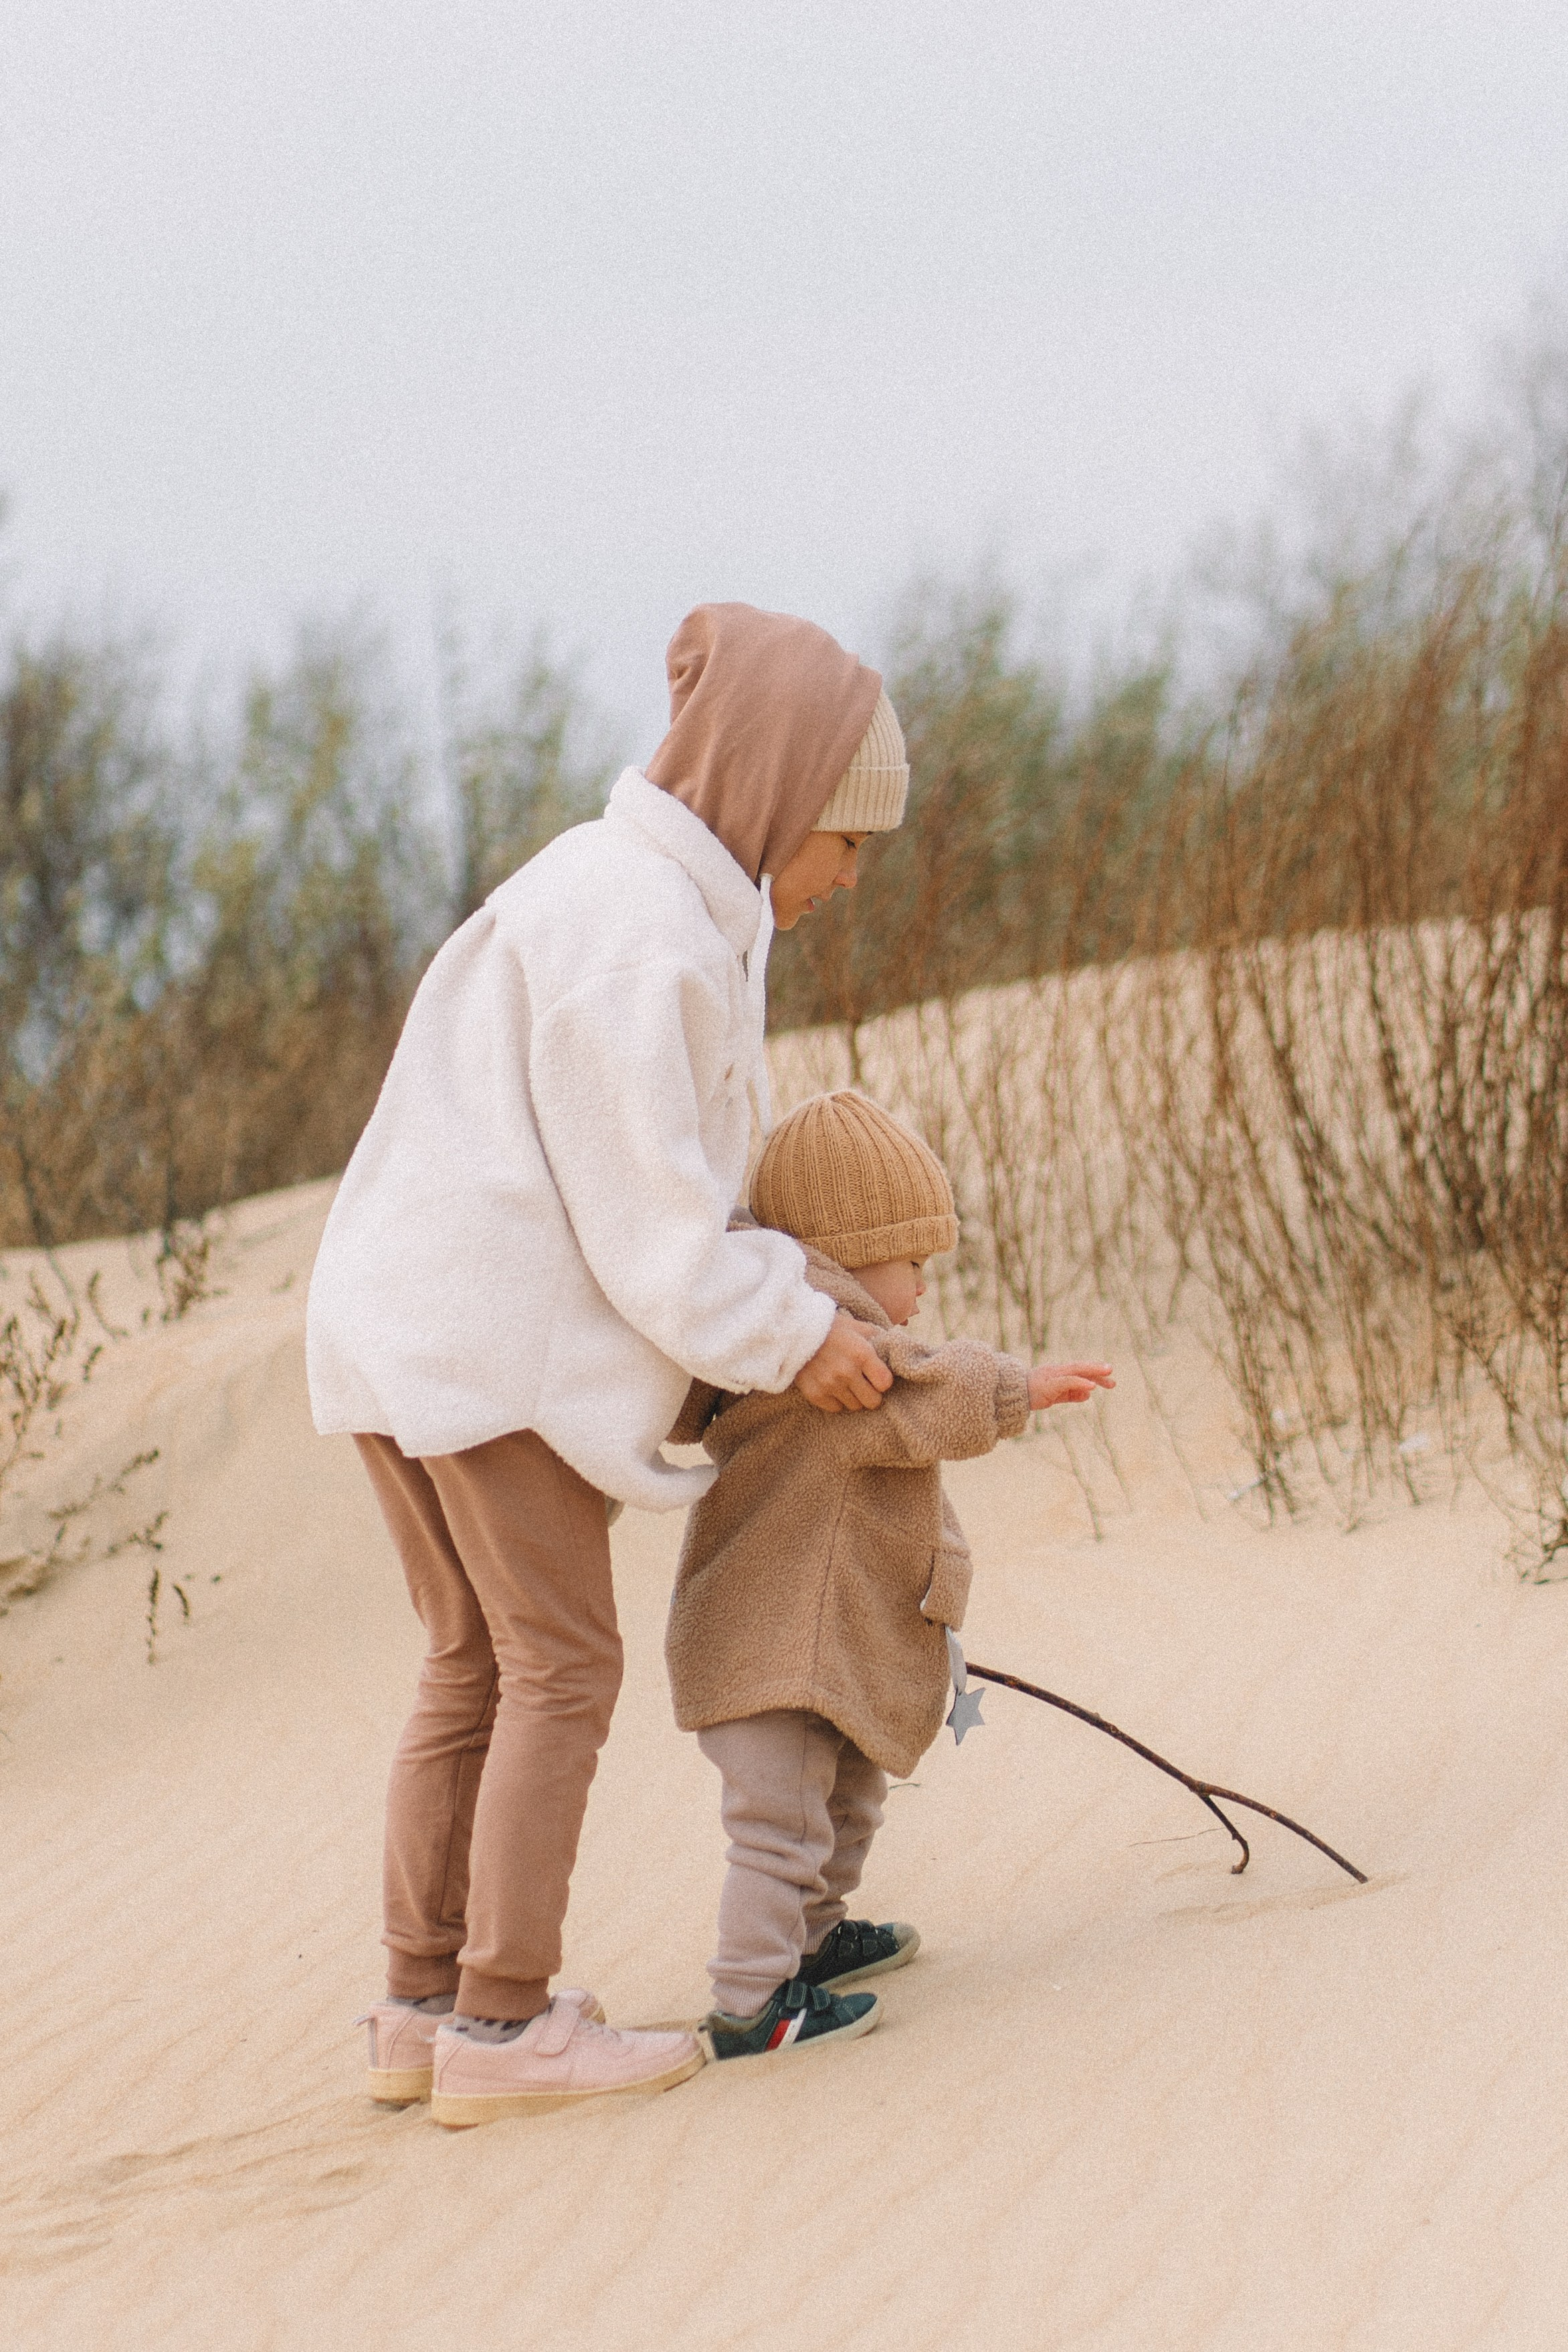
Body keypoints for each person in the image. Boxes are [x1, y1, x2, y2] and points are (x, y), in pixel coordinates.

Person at [308, 604, 910, 2128]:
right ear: (779, 801)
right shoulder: (640, 936)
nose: (846, 880)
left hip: (398, 1322)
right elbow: (657, 1232)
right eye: (846, 842)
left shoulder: (617, 898)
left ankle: (421, 2004)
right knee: (559, 1667)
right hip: (480, 1346)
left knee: (470, 1664)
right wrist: (806, 1334)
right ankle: (505, 2030)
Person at [664, 1089, 1114, 2060]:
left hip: (818, 1643)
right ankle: (751, 2002)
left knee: (847, 1797)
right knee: (782, 1823)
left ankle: (813, 1943)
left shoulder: (787, 1342)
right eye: (913, 1264)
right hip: (776, 1646)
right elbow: (925, 1391)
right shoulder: (834, 1360)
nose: (919, 1289)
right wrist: (1021, 1387)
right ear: (852, 1256)